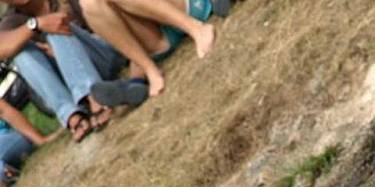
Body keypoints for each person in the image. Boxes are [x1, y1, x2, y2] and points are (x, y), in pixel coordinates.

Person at [0, 0, 127, 141]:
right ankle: (72, 115)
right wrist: (37, 24)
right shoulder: (11, 21)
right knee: (21, 54)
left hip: (103, 54)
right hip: (70, 81)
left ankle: (95, 96)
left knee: (55, 25)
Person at [80, 0, 215, 98]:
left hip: (186, 6)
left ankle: (196, 28)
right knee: (89, 4)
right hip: (159, 37)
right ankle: (149, 68)